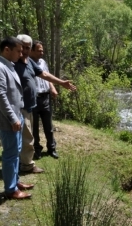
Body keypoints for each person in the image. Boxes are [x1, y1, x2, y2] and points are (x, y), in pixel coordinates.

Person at [14, 34, 76, 174]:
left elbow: (45, 74)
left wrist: (61, 83)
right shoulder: (12, 63)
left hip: (30, 105)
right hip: (19, 108)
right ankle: (25, 165)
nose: (24, 50)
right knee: (25, 137)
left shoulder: (29, 62)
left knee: (29, 136)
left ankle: (25, 163)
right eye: (22, 47)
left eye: (27, 48)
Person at [0, 37, 34, 199]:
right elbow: (1, 96)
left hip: (16, 116)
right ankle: (11, 190)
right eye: (18, 51)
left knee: (17, 151)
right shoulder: (0, 67)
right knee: (10, 154)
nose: (21, 54)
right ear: (7, 49)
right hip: (8, 120)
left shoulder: (9, 65)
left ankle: (15, 181)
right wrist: (13, 119)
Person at [30, 40, 58, 159]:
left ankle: (52, 148)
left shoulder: (42, 62)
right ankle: (37, 149)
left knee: (48, 125)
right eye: (39, 50)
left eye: (42, 50)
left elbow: (47, 76)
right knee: (34, 127)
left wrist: (52, 88)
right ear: (31, 51)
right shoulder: (28, 63)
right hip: (33, 99)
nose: (41, 52)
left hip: (45, 97)